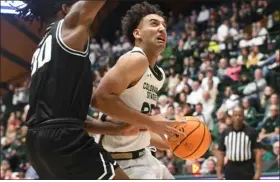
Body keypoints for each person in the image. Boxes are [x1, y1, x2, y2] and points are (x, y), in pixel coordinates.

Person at [18, 0, 130, 180]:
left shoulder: (41, 50)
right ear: (65, 9)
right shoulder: (68, 27)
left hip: (37, 144)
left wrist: (117, 129)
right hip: (63, 140)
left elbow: (66, 119)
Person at [91, 1, 185, 179]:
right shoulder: (135, 59)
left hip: (144, 156)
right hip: (121, 162)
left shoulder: (159, 74)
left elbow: (138, 128)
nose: (162, 29)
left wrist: (175, 145)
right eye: (154, 24)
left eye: (164, 25)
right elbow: (100, 99)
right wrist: (151, 122)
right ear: (137, 33)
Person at [216, 106, 262, 180]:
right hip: (231, 167)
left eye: (240, 115)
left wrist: (258, 172)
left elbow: (258, 152)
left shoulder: (252, 132)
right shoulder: (226, 132)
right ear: (232, 117)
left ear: (243, 117)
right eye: (235, 115)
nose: (237, 117)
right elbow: (220, 153)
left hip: (246, 167)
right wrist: (218, 172)